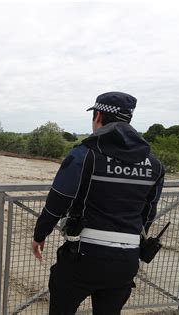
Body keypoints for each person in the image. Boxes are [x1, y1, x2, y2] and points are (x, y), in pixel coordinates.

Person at [31, 92, 165, 314]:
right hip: (127, 261)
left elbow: (58, 200)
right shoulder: (154, 164)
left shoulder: (84, 154)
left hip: (83, 258)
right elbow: (149, 212)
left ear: (98, 115)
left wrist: (39, 235)